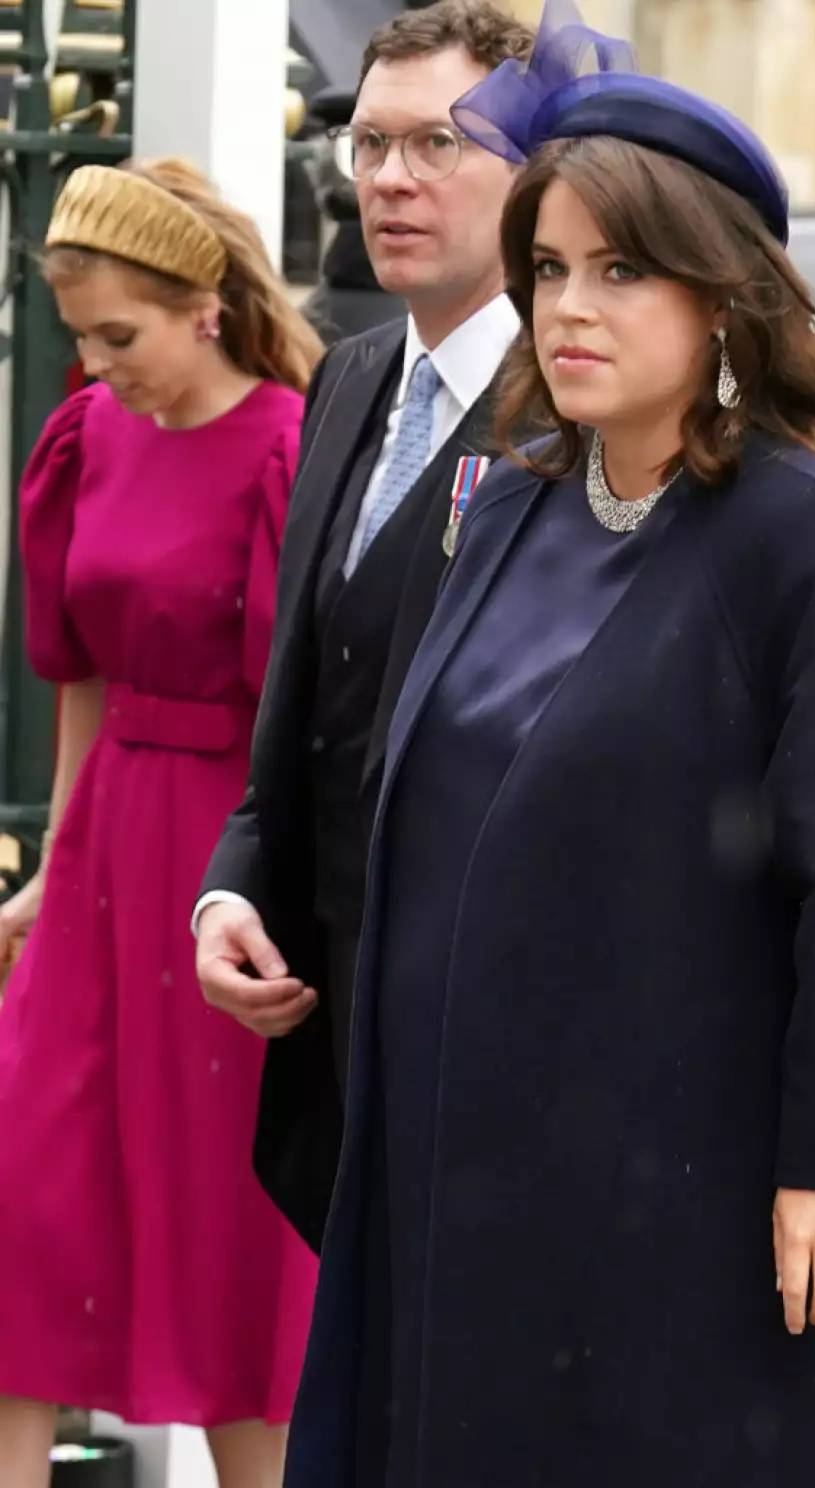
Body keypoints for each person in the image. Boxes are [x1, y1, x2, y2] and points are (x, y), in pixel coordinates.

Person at [282, 7, 815, 1485]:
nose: (571, 306)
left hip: (693, 1168)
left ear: (721, 295)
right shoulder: (503, 507)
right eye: (550, 268)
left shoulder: (801, 534)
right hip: (472, 1167)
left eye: (621, 271)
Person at [0, 159, 323, 1488]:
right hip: (101, 857)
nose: (94, 362)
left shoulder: (293, 448)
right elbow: (79, 666)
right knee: (30, 1198)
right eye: (78, 336)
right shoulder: (86, 436)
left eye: (116, 335)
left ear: (205, 307)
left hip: (226, 858)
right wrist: (51, 868)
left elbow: (310, 717)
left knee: (220, 1228)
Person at [194, 0, 534, 1254]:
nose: (390, 178)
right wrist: (235, 890)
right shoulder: (345, 378)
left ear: (532, 168)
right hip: (334, 1033)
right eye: (370, 145)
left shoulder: (579, 416)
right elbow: (307, 698)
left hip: (494, 1045)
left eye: (436, 146)